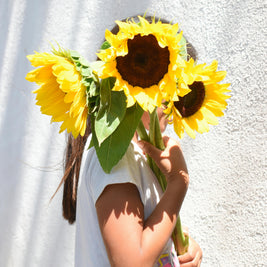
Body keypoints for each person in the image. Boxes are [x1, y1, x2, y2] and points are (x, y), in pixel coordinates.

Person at [61, 16, 203, 267]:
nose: (174, 104)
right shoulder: (116, 159)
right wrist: (178, 183)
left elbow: (146, 239)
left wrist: (179, 248)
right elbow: (132, 262)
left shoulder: (134, 157)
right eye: (171, 86)